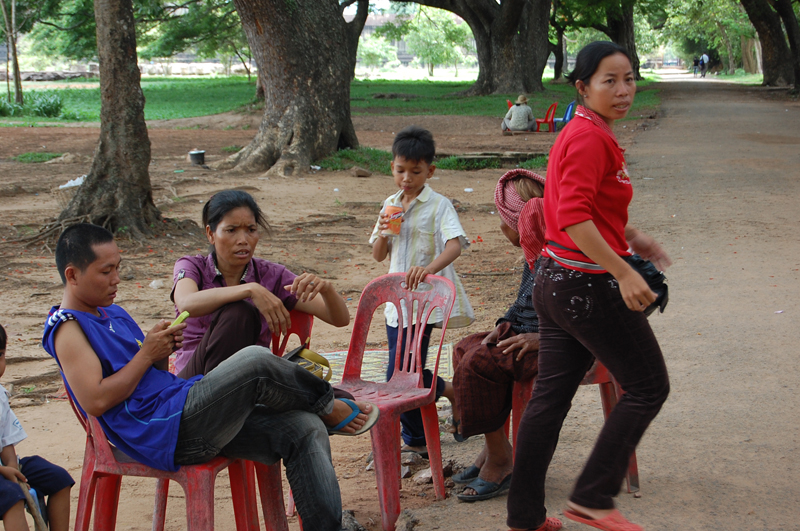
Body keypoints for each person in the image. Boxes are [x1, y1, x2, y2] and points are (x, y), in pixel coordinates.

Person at [42, 224, 379, 531]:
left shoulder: (111, 312)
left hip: (180, 406)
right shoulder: (67, 328)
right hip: (165, 431)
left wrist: (158, 353)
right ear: (73, 275)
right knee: (256, 361)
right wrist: (146, 353)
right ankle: (327, 402)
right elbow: (96, 400)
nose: (116, 278)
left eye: (118, 268)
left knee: (303, 427)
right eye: (106, 271)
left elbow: (149, 378)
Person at [506, 41, 672, 531]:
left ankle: (524, 517)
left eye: (629, 79)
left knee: (549, 400)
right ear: (582, 87)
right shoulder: (588, 138)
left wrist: (630, 237)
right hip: (585, 288)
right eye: (609, 81)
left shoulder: (588, 130)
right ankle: (593, 497)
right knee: (647, 386)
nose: (624, 91)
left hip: (555, 281)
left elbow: (575, 208)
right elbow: (574, 217)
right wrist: (622, 271)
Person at [370, 125, 474, 456]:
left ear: (430, 170)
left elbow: (455, 245)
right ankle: (448, 390)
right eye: (401, 170)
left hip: (425, 303)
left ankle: (414, 440)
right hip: (395, 303)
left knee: (400, 373)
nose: (407, 179)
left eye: (415, 172)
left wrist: (428, 270)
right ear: (392, 168)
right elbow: (378, 254)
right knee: (404, 370)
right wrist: (384, 232)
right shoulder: (390, 204)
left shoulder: (438, 205)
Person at [170, 190, 350, 379]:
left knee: (338, 397)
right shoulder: (192, 266)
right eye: (231, 230)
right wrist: (251, 289)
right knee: (239, 313)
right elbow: (186, 303)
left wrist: (326, 289)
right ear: (211, 234)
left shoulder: (271, 275)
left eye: (251, 230)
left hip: (248, 379)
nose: (243, 240)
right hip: (194, 384)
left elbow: (339, 319)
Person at [448, 169, 546, 503]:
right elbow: (524, 303)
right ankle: (495, 447)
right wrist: (503, 325)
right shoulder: (536, 247)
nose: (501, 227)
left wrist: (540, 340)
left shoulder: (563, 252)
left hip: (562, 344)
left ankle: (502, 461)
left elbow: (584, 314)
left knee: (479, 364)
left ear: (520, 222)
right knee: (465, 348)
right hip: (530, 334)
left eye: (504, 220)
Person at [1, 324, 74, 531]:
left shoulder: (0, 396)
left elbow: (6, 440)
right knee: (11, 496)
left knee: (58, 479)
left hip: (5, 467)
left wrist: (12, 469)